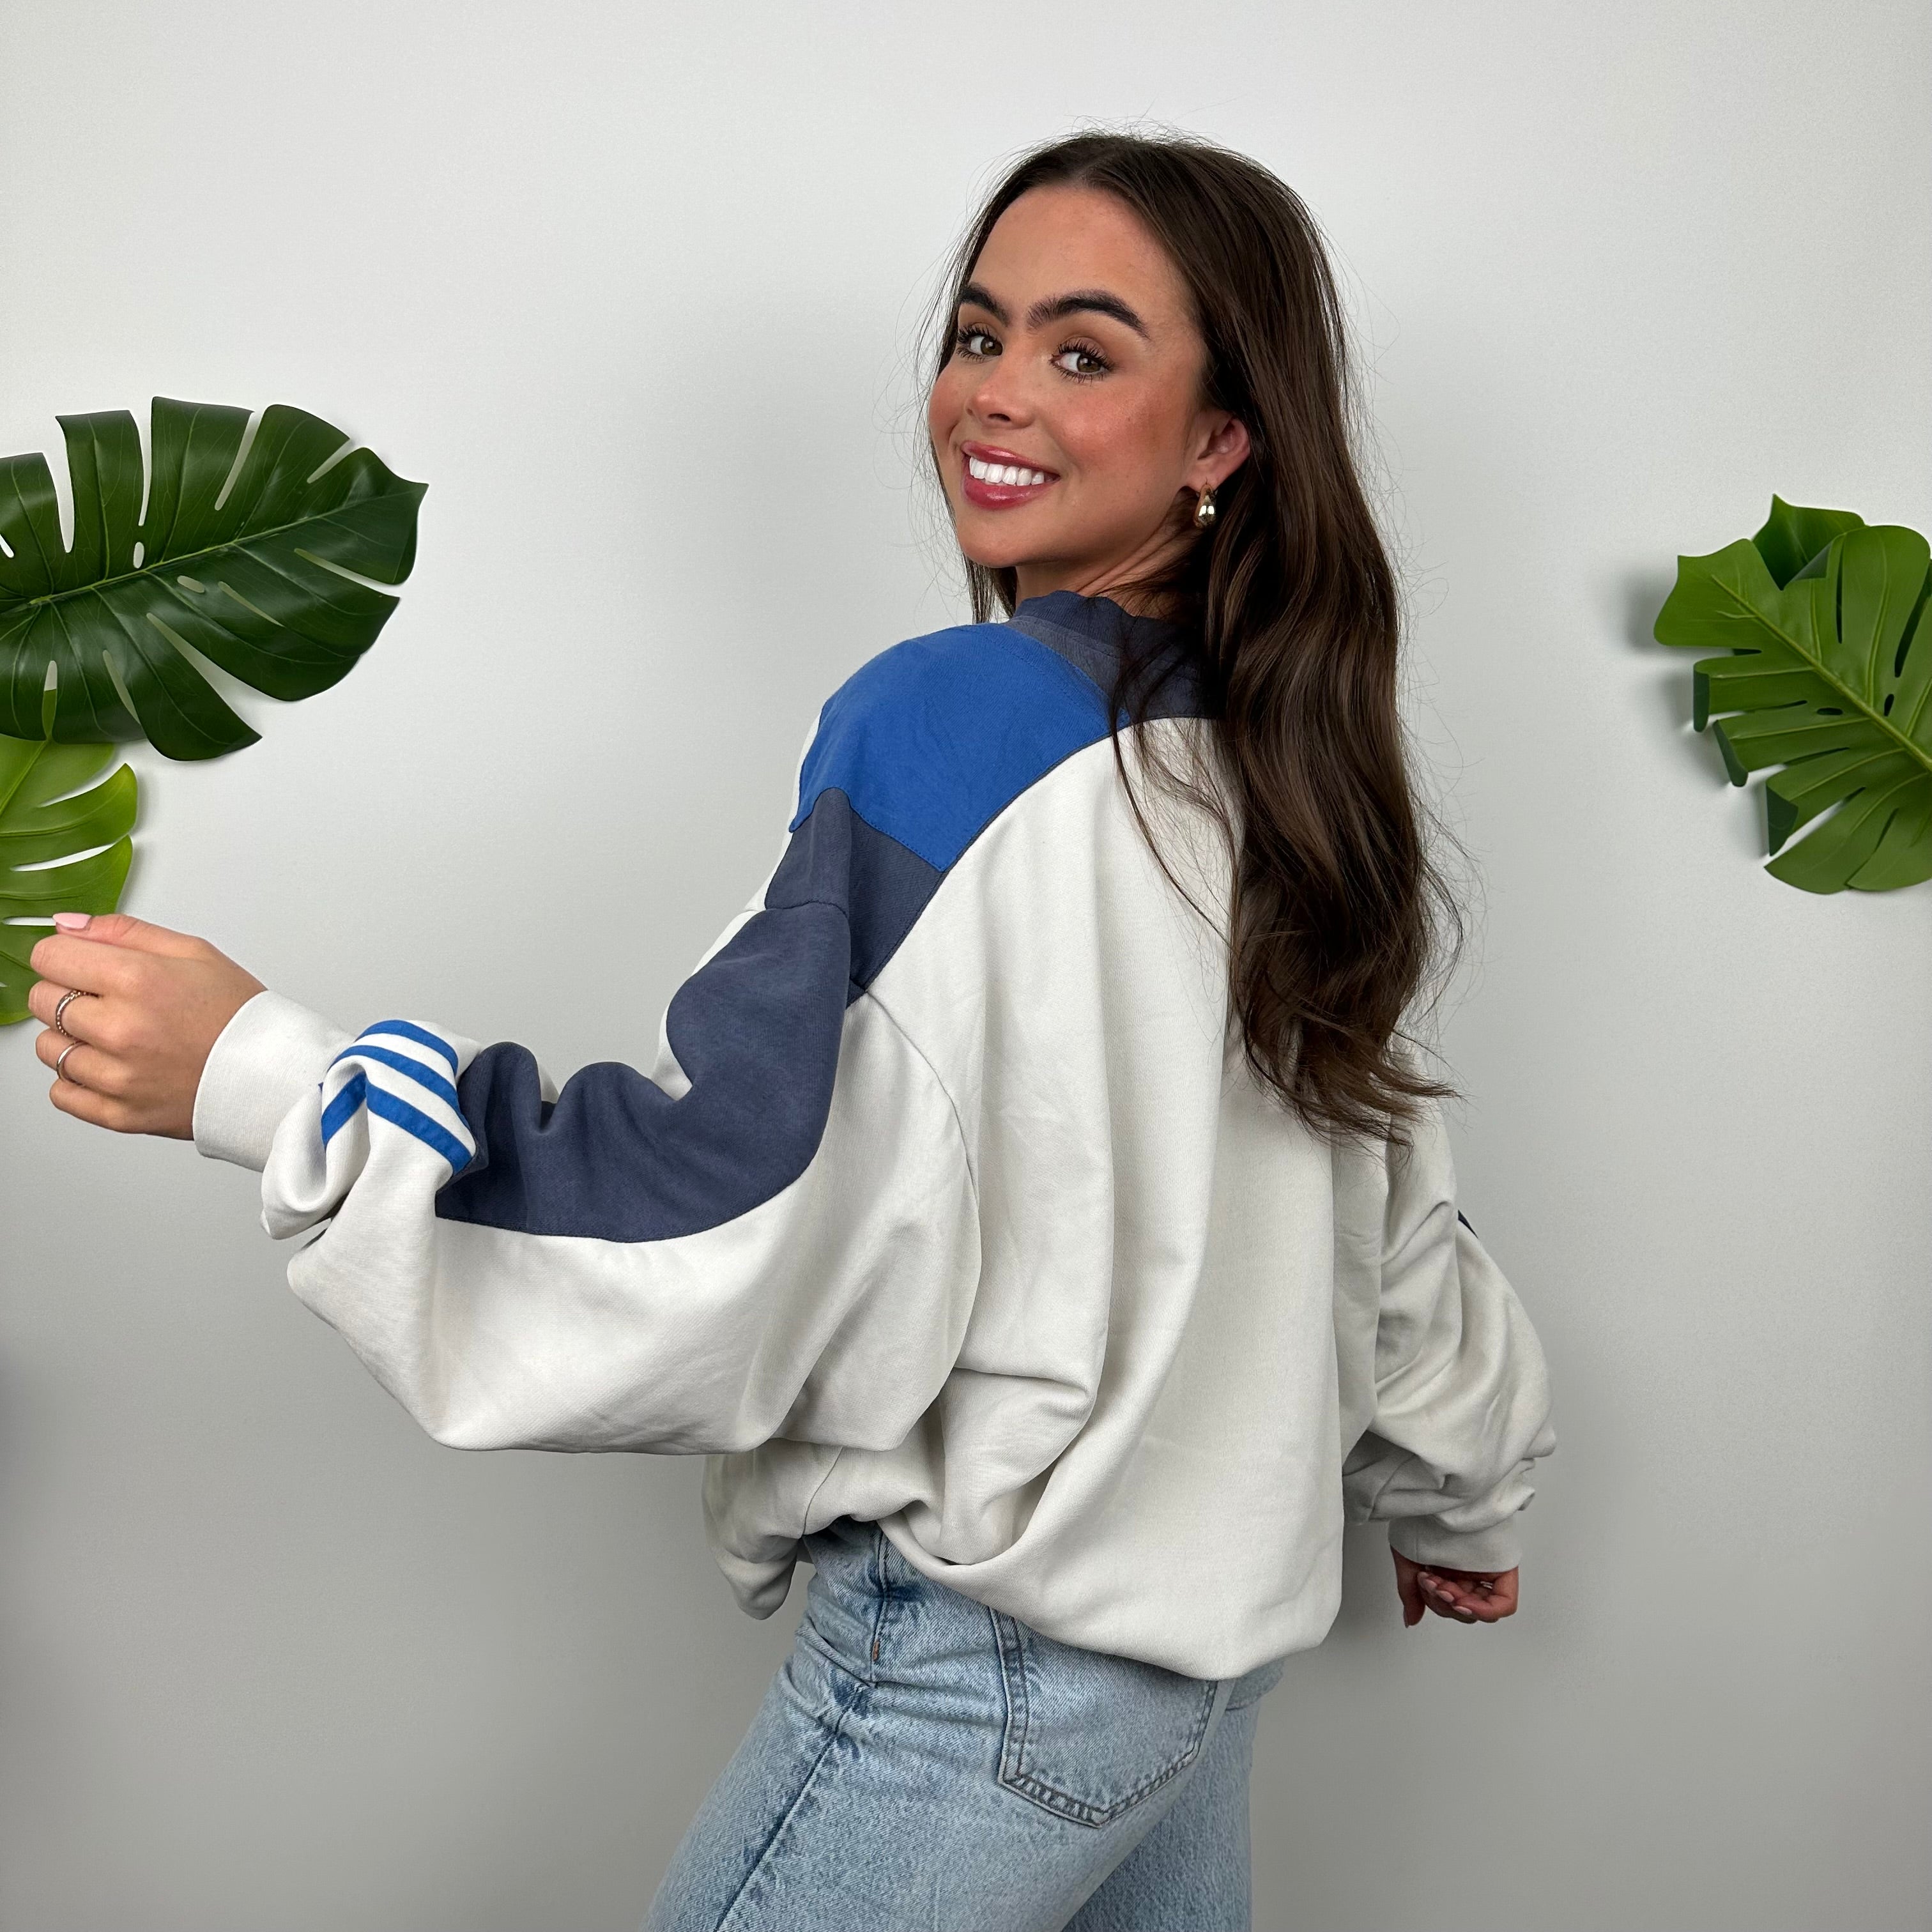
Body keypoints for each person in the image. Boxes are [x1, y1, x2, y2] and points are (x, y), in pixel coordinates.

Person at [25, 131, 1554, 1932]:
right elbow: (1386, 1205)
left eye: (1085, 351)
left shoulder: (953, 724)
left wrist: (261, 1077)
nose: (995, 395)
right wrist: (1462, 1486)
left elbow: (723, 1200)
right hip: (1193, 1698)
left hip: (988, 1680)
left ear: (1224, 438)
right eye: (977, 335)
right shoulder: (1290, 766)